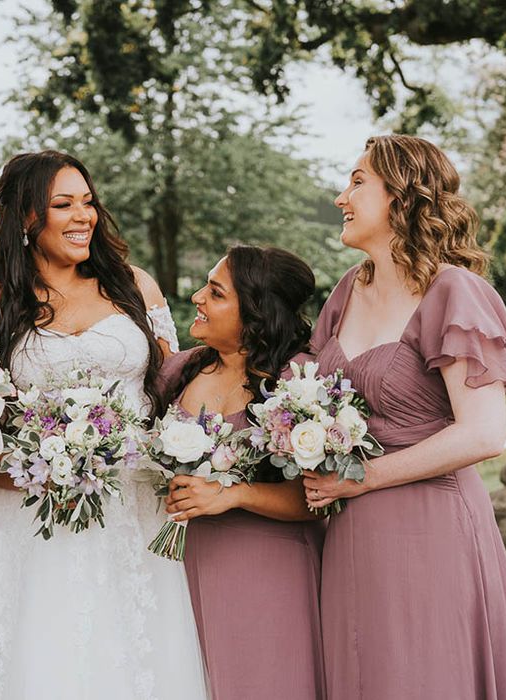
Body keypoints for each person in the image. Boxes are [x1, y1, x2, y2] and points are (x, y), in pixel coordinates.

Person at [0, 150, 207, 700]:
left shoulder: (135, 287)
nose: (83, 216)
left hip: (133, 509)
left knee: (136, 658)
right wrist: (35, 474)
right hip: (32, 514)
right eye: (63, 204)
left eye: (88, 202)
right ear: (25, 217)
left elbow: (171, 392)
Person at [303, 135, 506, 698]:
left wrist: (361, 479)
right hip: (350, 535)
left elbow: (484, 433)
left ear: (403, 198)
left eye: (358, 181)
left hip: (432, 528)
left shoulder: (453, 291)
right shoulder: (345, 292)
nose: (343, 196)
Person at [161, 245, 326, 700]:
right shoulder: (179, 371)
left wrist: (233, 494)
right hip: (181, 570)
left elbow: (318, 499)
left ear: (255, 313)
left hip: (267, 572)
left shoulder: (299, 380)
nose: (197, 297)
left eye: (215, 293)